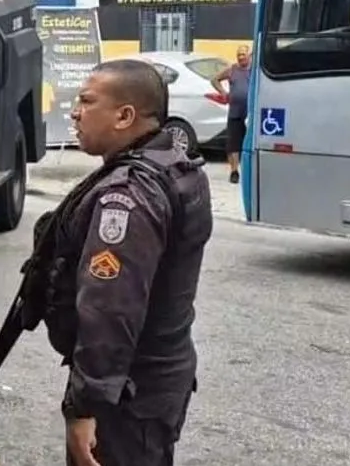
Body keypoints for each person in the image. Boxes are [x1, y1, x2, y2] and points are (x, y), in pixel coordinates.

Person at [53, 59, 213, 466]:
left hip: (128, 396)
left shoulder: (128, 196)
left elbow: (111, 309)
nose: (74, 112)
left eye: (87, 102)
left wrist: (85, 405)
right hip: (155, 382)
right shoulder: (174, 166)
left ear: (125, 116)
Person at [211, 45, 252, 183]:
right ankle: (234, 171)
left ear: (249, 55)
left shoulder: (254, 70)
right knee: (233, 144)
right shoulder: (232, 70)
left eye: (243, 54)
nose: (241, 57)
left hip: (250, 113)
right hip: (235, 112)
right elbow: (214, 79)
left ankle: (250, 171)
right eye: (238, 55)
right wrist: (223, 93)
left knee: (249, 143)